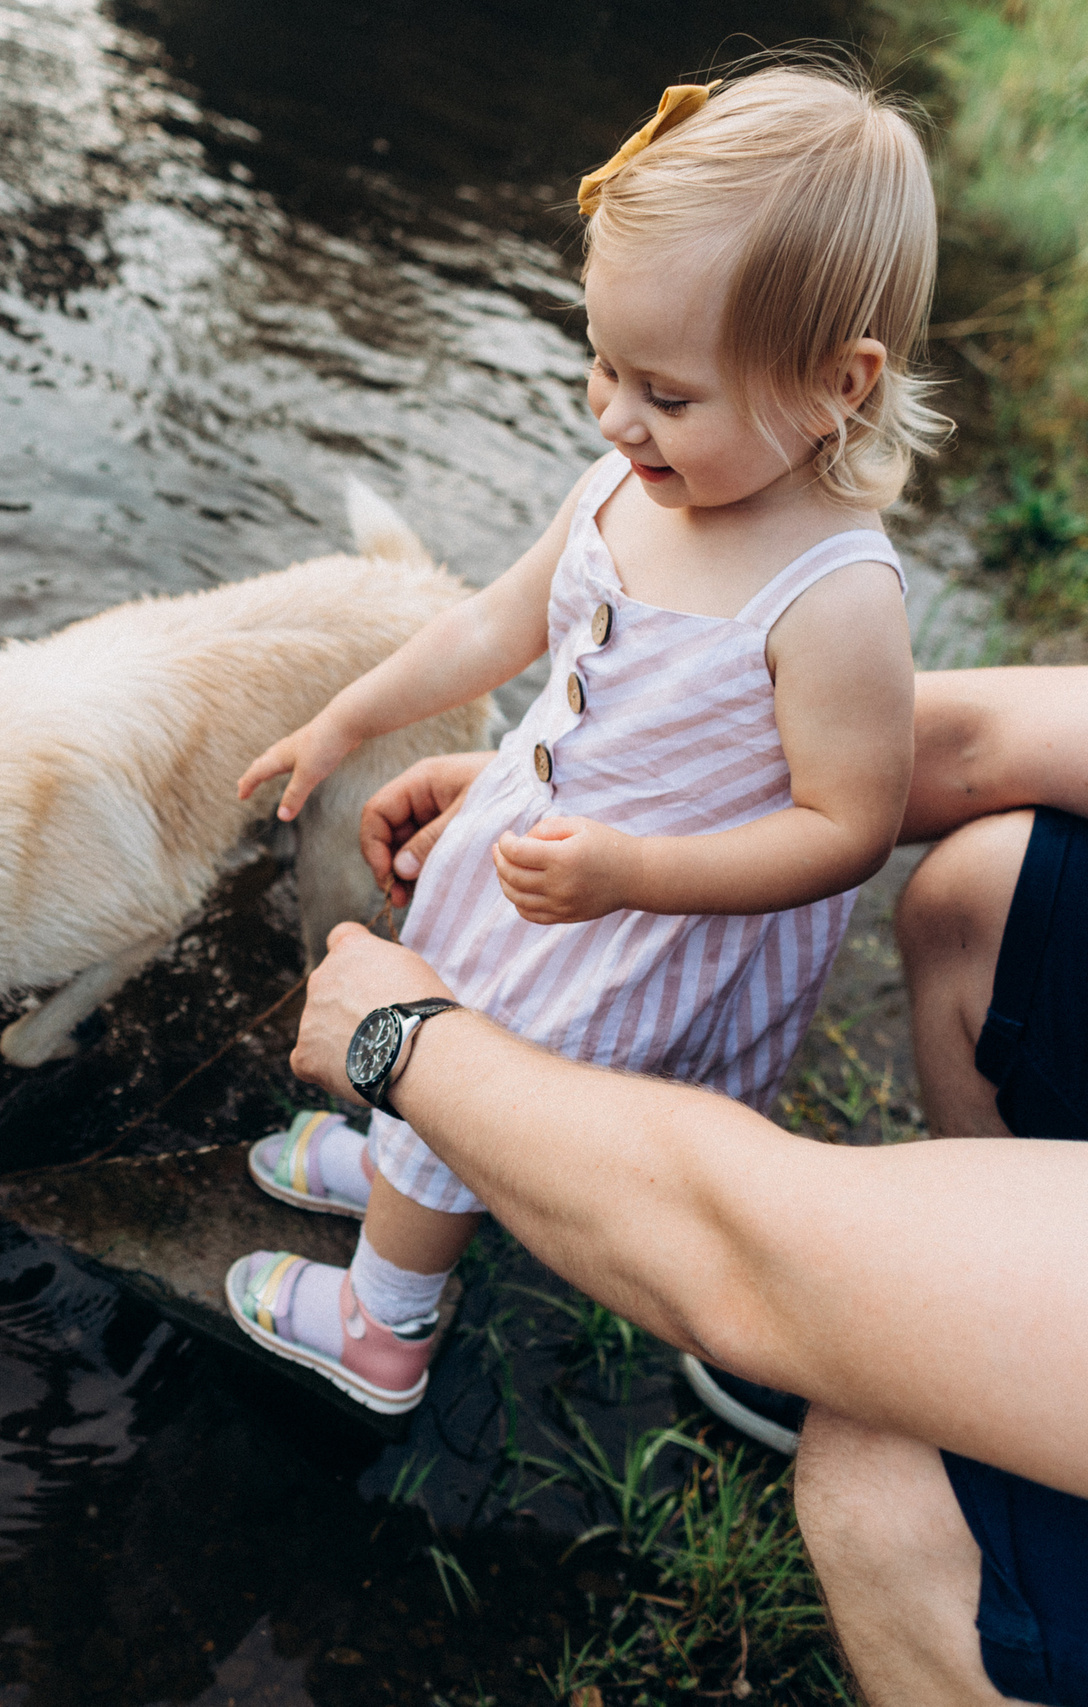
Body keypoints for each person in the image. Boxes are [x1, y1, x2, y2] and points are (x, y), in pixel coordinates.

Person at [287, 267, 1088, 1703]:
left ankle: (1008, 1404)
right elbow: (959, 742)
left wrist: (407, 1039)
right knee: (989, 893)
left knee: (891, 1480)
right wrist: (574, 791)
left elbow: (738, 1258)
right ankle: (1043, 1322)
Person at [222, 66, 948, 1414]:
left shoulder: (834, 595)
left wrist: (629, 873)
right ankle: (408, 1142)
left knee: (477, 1052)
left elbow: (845, 831)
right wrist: (350, 714)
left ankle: (387, 1323)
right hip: (549, 847)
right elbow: (500, 626)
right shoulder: (627, 482)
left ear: (838, 387)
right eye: (603, 363)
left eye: (667, 393)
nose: (616, 416)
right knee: (439, 1013)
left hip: (642, 908)